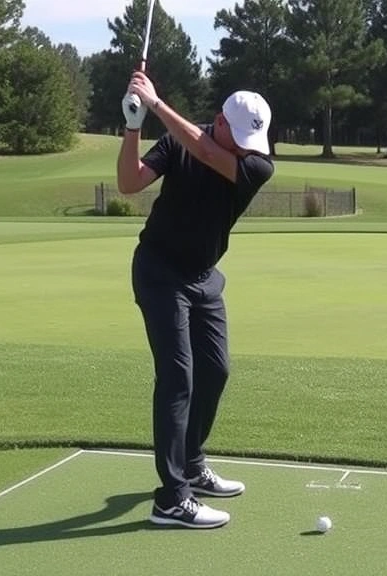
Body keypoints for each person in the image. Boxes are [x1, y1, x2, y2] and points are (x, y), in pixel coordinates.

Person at [116, 71, 274, 529]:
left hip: (204, 277)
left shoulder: (256, 165)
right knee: (178, 377)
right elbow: (129, 184)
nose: (247, 147)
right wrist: (132, 126)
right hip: (160, 271)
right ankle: (171, 498)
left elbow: (205, 152)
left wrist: (157, 105)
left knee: (216, 369)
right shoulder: (180, 140)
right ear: (220, 121)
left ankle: (191, 463)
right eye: (240, 137)